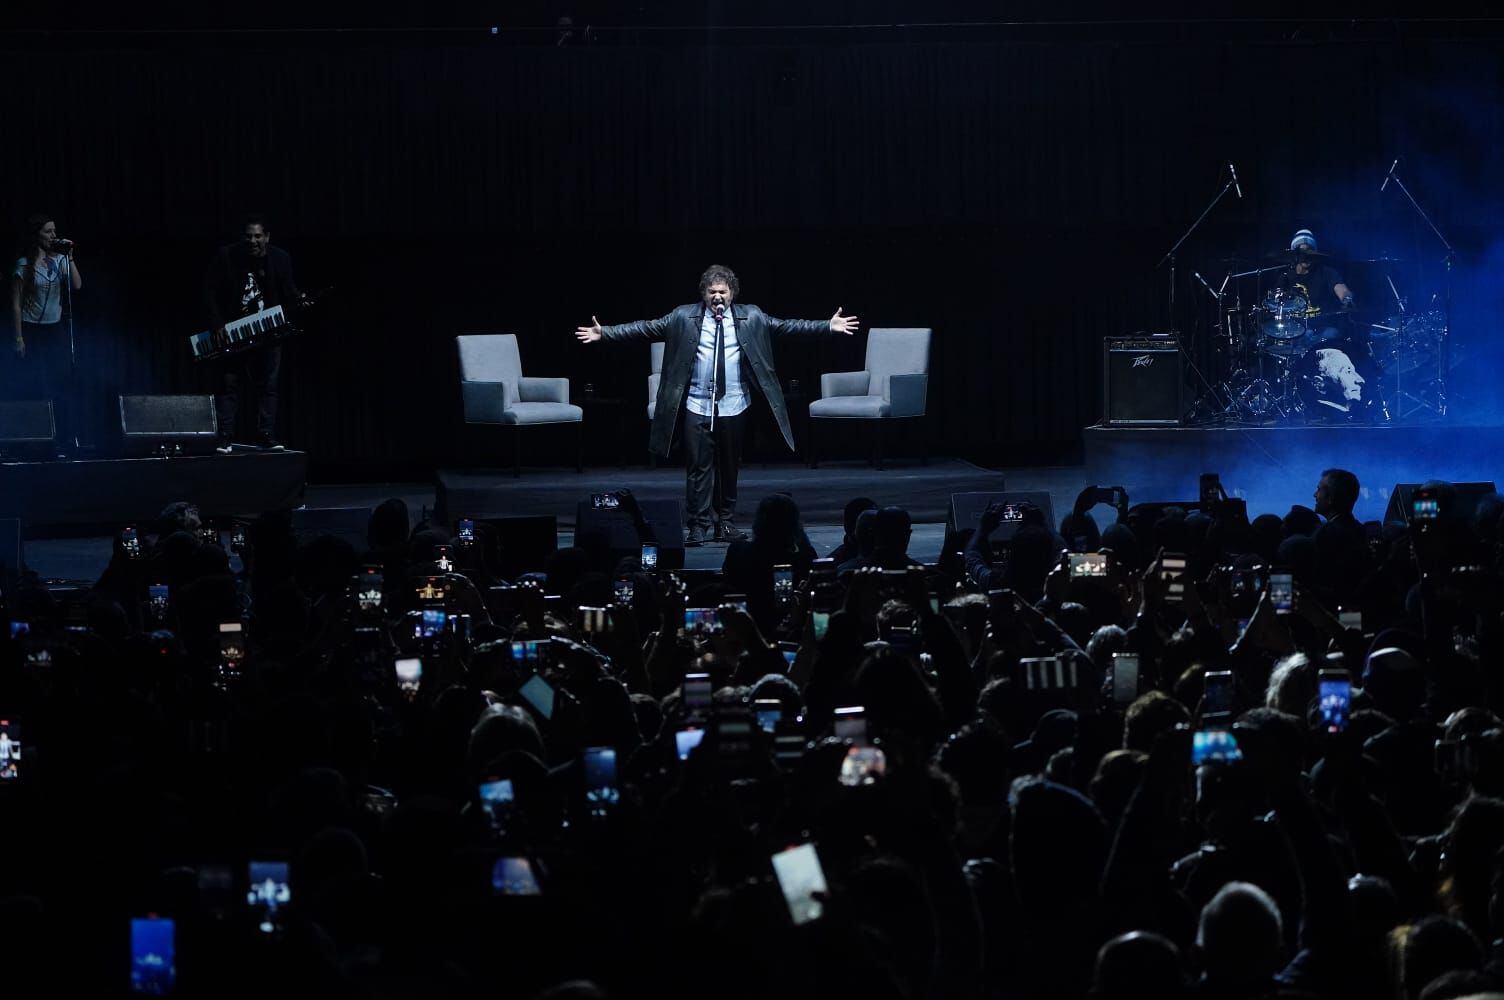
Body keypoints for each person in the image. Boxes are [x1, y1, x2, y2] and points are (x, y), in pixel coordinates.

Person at [575, 264, 858, 545]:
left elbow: (788, 326)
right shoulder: (682, 317)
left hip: (734, 404)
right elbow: (645, 328)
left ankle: (725, 522)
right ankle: (698, 526)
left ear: (732, 293)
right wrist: (606, 333)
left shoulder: (752, 316)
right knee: (698, 468)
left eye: (723, 291)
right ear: (704, 293)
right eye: (712, 292)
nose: (717, 297)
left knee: (729, 466)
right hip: (697, 404)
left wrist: (827, 326)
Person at [205, 214, 302, 453]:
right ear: (242, 238)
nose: (253, 241)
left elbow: (289, 291)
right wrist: (217, 324)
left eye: (258, 236)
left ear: (267, 237)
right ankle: (225, 437)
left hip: (268, 331)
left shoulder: (280, 259)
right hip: (234, 330)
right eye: (248, 236)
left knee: (268, 386)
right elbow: (208, 291)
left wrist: (299, 299)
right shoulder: (226, 256)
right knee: (228, 385)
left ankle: (266, 434)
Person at [8, 213, 83, 451]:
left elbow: (77, 285)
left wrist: (69, 258)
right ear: (36, 235)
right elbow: (16, 304)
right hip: (32, 330)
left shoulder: (59, 261)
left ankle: (63, 437)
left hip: (55, 329)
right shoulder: (24, 265)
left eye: (54, 231)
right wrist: (19, 337)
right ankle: (35, 437)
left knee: (60, 383)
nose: (53, 236)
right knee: (36, 383)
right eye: (48, 231)